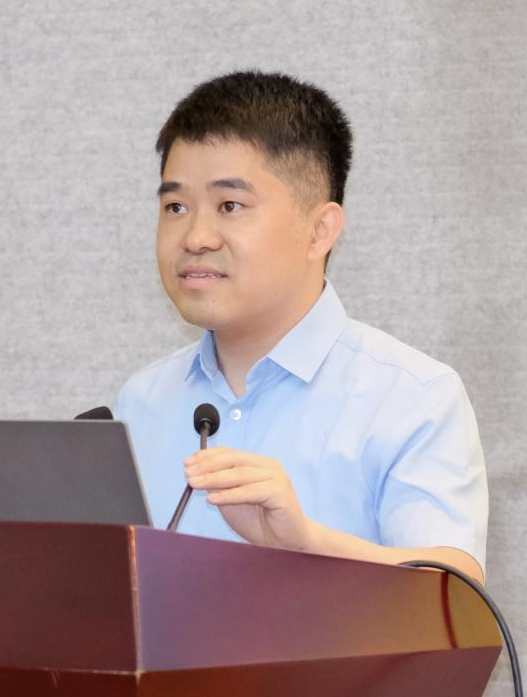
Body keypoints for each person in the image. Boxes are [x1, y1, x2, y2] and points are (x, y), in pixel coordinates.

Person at [114, 71, 488, 582]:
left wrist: (307, 543)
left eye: (229, 206)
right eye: (175, 207)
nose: (196, 237)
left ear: (319, 230)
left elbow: (458, 596)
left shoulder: (412, 398)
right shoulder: (140, 403)